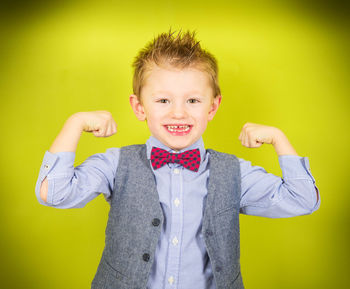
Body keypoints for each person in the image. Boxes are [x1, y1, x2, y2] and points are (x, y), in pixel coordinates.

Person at [35, 29, 320, 289]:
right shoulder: (115, 164)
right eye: (163, 101)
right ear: (139, 107)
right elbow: (55, 193)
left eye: (193, 100)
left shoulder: (235, 173)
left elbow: (303, 199)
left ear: (213, 106)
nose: (179, 114)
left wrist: (278, 138)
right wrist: (74, 124)